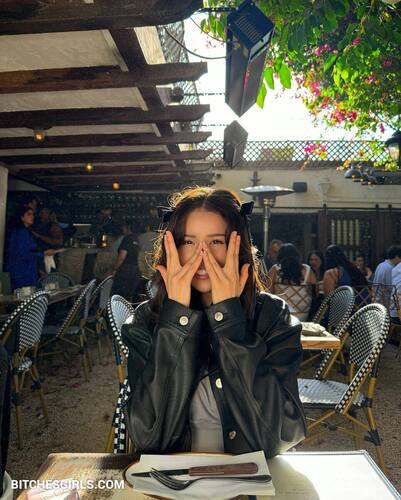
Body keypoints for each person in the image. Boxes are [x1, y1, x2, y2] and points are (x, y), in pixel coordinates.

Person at [121, 187, 306, 457]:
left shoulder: (271, 315)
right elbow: (148, 438)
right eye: (188, 242)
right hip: (173, 478)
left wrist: (228, 319)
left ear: (238, 249)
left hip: (249, 475)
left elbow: (279, 436)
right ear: (171, 250)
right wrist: (177, 319)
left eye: (217, 242)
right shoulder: (144, 322)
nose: (202, 256)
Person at [5, 206, 55, 290]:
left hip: (25, 269)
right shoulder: (21, 232)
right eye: (29, 214)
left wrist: (38, 270)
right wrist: (43, 253)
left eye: (33, 214)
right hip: (22, 272)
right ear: (22, 217)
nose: (32, 217)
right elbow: (23, 254)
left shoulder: (24, 231)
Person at [267, 243, 317, 320]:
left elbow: (268, 292)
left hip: (281, 315)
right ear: (297, 255)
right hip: (303, 316)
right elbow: (314, 293)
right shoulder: (307, 270)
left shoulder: (275, 269)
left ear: (280, 256)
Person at [111, 224, 141, 301]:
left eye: (124, 226)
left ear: (128, 227)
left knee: (117, 297)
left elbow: (122, 257)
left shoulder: (127, 238)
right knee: (127, 298)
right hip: (135, 271)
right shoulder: (136, 239)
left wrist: (114, 269)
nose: (122, 228)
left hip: (125, 270)